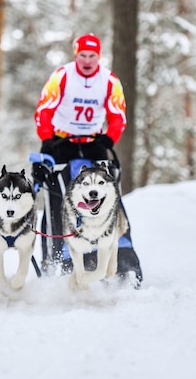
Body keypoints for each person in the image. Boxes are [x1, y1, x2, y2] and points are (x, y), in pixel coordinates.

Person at [33, 33, 143, 285]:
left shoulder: (109, 80)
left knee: (105, 195)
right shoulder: (62, 76)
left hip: (94, 144)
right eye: (82, 55)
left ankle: (120, 253)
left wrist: (109, 139)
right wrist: (47, 139)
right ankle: (57, 256)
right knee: (59, 196)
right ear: (76, 55)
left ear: (99, 56)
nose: (87, 60)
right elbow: (44, 110)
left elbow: (118, 115)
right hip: (62, 142)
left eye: (92, 56)